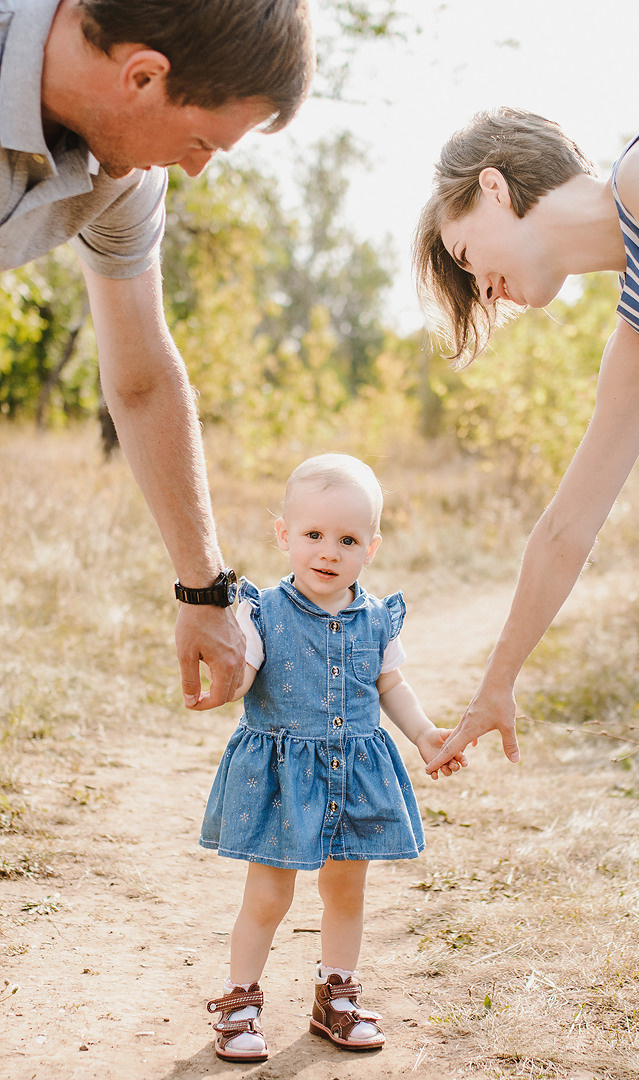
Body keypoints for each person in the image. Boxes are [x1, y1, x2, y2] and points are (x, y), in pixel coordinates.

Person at [3, 0, 314, 709]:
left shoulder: (127, 179)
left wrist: (205, 590)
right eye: (203, 139)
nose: (198, 169)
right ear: (142, 77)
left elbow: (142, 379)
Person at [412, 106, 639, 773]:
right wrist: (496, 683)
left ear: (492, 188)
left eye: (466, 257)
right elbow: (566, 529)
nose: (483, 290)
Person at [198, 453, 467, 1061]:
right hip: (284, 779)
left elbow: (390, 686)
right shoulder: (260, 612)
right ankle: (240, 1001)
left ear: (371, 548)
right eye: (314, 535)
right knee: (269, 896)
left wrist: (424, 735)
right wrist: (224, 683)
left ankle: (335, 996)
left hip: (357, 773)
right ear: (284, 534)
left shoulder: (378, 618)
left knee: (346, 892)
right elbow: (244, 674)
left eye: (347, 539)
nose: (329, 551)